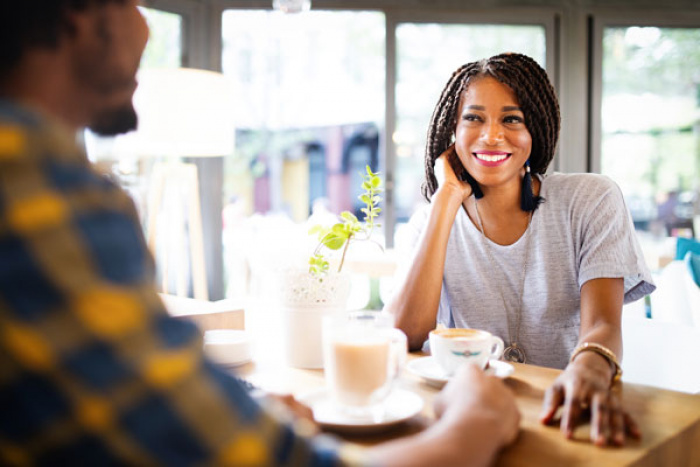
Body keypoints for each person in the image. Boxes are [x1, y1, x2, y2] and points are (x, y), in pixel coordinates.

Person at [0, 1, 520, 465]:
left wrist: (229, 410)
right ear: (76, 12)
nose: (145, 31)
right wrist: (473, 425)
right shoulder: (38, 190)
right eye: (132, 4)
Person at [384, 52, 655, 447]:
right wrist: (445, 200)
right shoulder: (430, 222)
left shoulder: (591, 199)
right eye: (473, 118)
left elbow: (603, 325)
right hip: (465, 416)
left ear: (536, 130)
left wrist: (590, 367)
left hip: (561, 410)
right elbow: (403, 334)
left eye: (511, 119)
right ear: (451, 133)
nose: (491, 136)